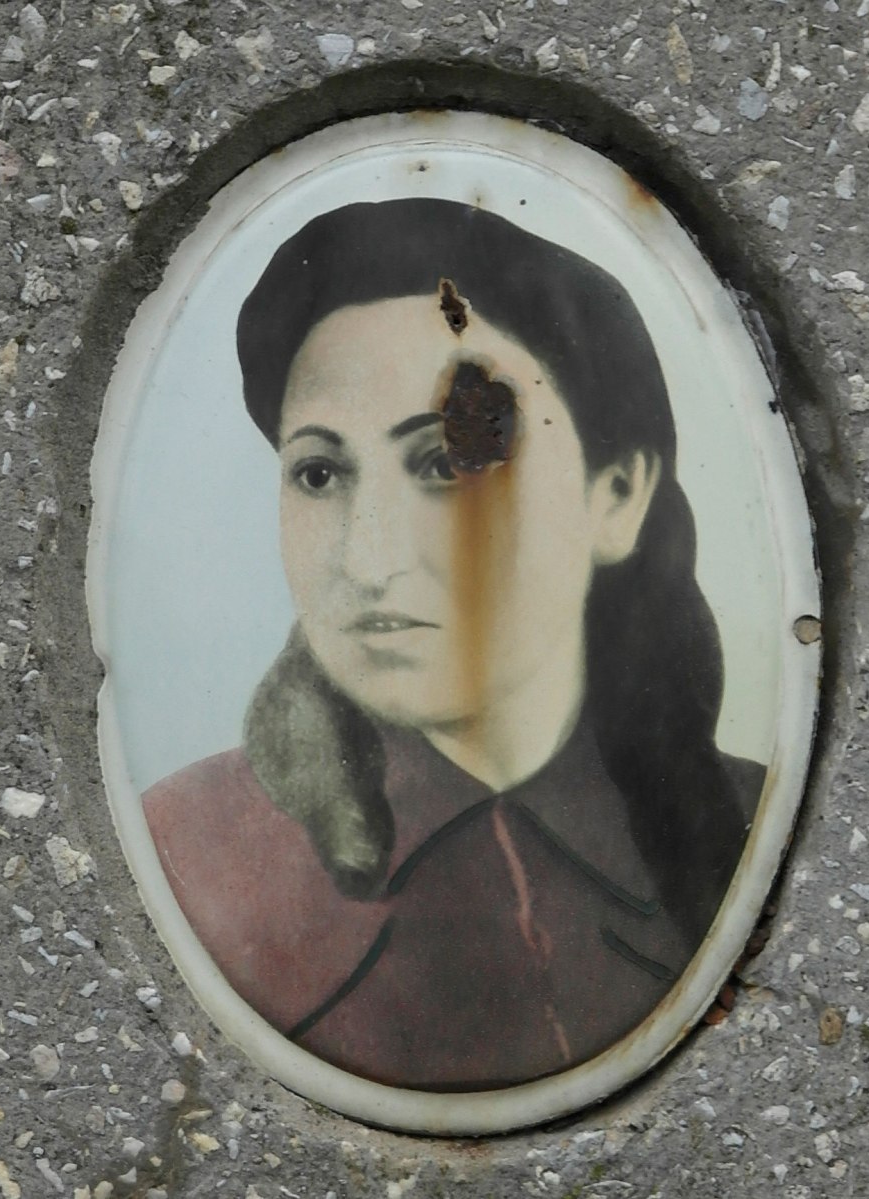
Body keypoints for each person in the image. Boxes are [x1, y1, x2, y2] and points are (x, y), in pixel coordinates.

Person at [144, 199, 765, 1091]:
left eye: (446, 462)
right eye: (317, 473)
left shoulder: (743, 833)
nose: (367, 559)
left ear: (616, 494)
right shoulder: (195, 852)